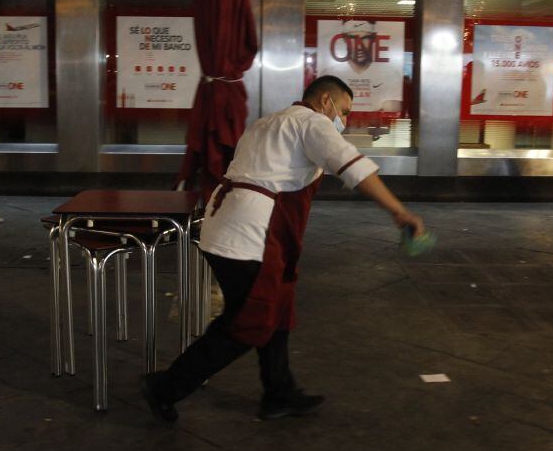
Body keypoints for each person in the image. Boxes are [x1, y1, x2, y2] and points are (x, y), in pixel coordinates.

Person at [141, 76, 425, 423]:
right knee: (250, 321)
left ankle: (279, 392)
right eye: (344, 111)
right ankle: (166, 387)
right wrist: (399, 211)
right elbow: (354, 169)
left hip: (225, 225)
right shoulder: (313, 123)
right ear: (325, 101)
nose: (344, 120)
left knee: (275, 308)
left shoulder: (266, 122)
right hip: (250, 234)